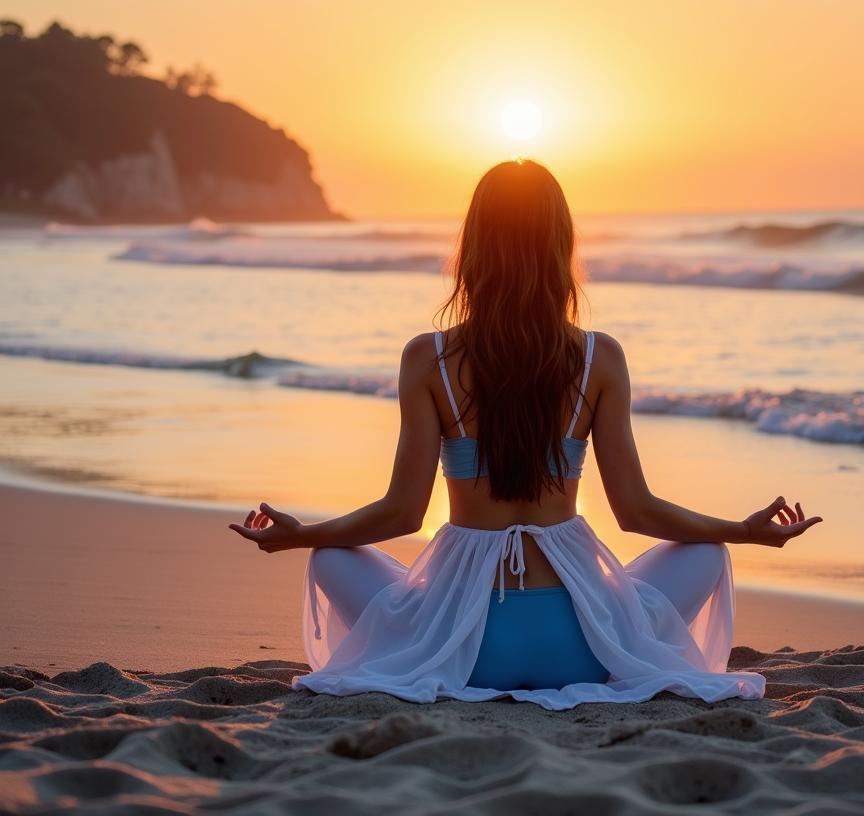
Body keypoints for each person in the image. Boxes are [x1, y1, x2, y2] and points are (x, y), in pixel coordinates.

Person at [229, 159, 822, 710]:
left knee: (331, 555)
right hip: (583, 646)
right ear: (560, 245)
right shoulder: (599, 358)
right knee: (705, 551)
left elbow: (403, 514)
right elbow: (638, 512)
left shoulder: (428, 358)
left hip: (463, 650)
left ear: (474, 248)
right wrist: (741, 533)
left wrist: (301, 536)